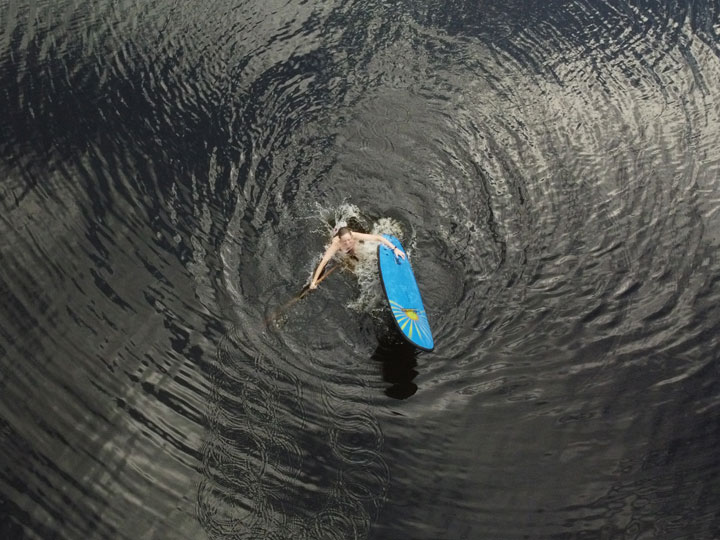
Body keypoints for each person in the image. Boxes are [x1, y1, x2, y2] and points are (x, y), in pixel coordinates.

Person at [309, 226, 405, 289]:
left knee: (363, 255)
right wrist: (313, 282)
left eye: (349, 239)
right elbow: (323, 262)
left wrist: (395, 248)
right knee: (350, 266)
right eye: (344, 241)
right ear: (339, 239)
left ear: (351, 234)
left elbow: (378, 238)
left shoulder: (354, 235)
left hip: (353, 247)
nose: (347, 242)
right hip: (342, 252)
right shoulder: (335, 245)